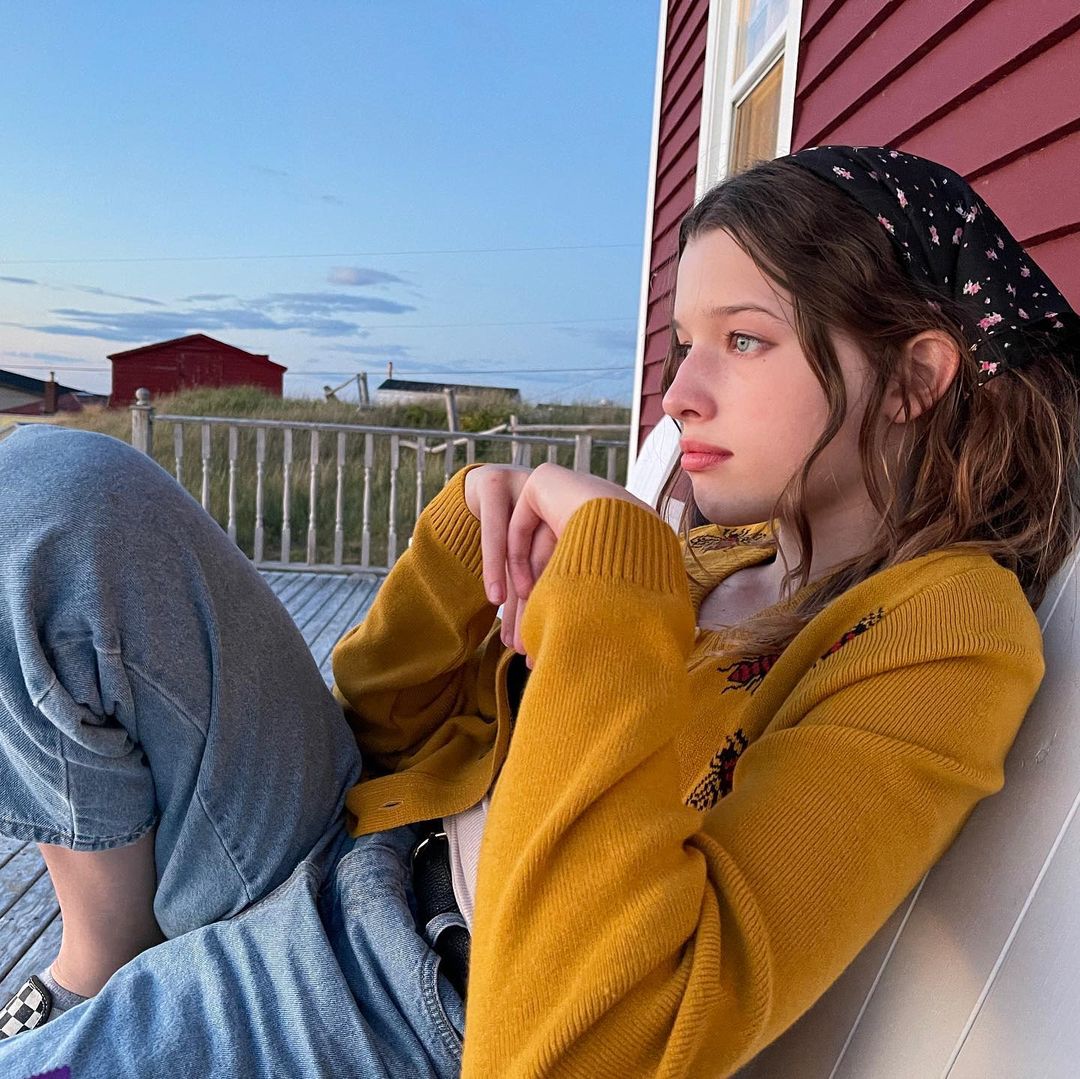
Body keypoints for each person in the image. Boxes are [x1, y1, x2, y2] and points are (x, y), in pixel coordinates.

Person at [0, 144, 1077, 1078]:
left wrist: (615, 588)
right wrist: (464, 536)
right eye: (683, 344)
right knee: (51, 490)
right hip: (355, 849)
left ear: (913, 377)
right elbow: (380, 727)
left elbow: (589, 1041)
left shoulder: (945, 628)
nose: (679, 393)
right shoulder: (723, 550)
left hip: (408, 1003)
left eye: (744, 340)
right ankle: (108, 949)